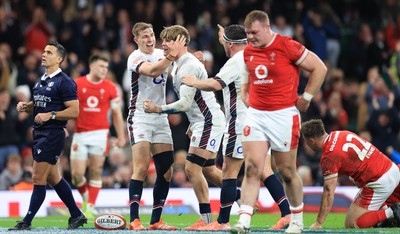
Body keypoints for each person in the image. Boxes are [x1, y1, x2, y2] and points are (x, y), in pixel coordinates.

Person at [182, 24, 291, 230]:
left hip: (241, 123)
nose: (222, 43)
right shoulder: (255, 56)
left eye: (224, 41)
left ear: (230, 44)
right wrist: (225, 36)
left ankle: (222, 222)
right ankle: (287, 214)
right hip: (263, 121)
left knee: (229, 173)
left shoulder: (235, 61)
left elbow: (215, 84)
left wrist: (193, 81)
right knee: (265, 171)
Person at [232, 10, 327, 234]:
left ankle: (296, 221)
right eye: (247, 34)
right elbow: (246, 81)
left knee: (286, 171)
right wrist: (247, 95)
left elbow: (319, 68)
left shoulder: (287, 46)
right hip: (256, 115)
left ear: (267, 28)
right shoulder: (248, 53)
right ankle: (244, 221)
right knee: (252, 167)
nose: (251, 37)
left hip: (283, 115)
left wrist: (307, 97)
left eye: (254, 32)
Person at [144, 25, 226, 230]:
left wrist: (158, 108)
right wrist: (192, 122)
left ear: (180, 41)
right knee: (208, 170)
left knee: (191, 168)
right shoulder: (178, 64)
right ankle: (244, 199)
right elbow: (195, 100)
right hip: (202, 121)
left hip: (208, 121)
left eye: (169, 40)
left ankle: (207, 219)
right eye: (163, 40)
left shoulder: (187, 64)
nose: (164, 44)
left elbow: (185, 104)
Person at [11, 41, 86, 230]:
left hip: (52, 134)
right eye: (44, 51)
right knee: (54, 178)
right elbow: (41, 105)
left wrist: (51, 115)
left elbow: (75, 111)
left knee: (38, 178)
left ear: (59, 59)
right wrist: (27, 107)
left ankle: (26, 221)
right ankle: (76, 215)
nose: (44, 54)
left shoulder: (65, 82)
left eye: (49, 52)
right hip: (40, 132)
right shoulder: (41, 79)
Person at [126, 22, 185, 231]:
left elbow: (181, 65)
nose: (149, 39)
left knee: (166, 172)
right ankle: (134, 220)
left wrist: (193, 58)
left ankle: (155, 221)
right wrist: (170, 58)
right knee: (141, 168)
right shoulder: (135, 57)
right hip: (140, 116)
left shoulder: (162, 52)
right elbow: (151, 71)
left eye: (151, 35)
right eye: (144, 36)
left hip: (160, 115)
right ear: (136, 40)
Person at [300, 119, 400, 229]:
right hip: (391, 168)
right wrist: (355, 176)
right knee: (369, 208)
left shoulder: (328, 156)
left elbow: (328, 191)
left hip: (380, 181)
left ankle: (392, 211)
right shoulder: (341, 133)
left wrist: (319, 222)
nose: (306, 144)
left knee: (352, 223)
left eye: (306, 141)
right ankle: (387, 217)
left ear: (312, 141)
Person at [69, 54, 126, 219]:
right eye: (101, 66)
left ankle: (90, 207)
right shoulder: (77, 84)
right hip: (80, 133)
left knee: (96, 171)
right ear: (92, 66)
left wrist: (121, 136)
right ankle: (88, 200)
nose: (104, 70)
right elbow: (68, 106)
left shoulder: (110, 86)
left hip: (100, 134)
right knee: (77, 175)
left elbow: (116, 113)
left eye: (106, 68)